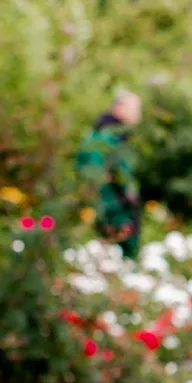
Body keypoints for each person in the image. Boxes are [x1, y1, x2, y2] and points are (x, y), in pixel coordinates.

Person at [75, 91, 143, 258]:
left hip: (118, 212)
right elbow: (96, 180)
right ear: (119, 108)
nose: (138, 115)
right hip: (112, 215)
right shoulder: (104, 139)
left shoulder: (118, 138)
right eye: (135, 109)